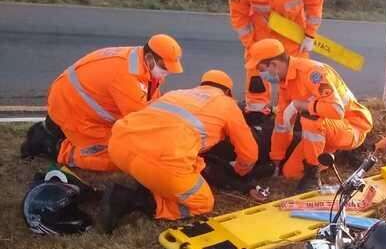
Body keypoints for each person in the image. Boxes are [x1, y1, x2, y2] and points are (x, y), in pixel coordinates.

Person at [100, 70, 258, 233]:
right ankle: (132, 200)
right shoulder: (227, 104)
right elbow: (249, 153)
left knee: (159, 166)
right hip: (160, 159)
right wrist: (240, 170)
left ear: (202, 85)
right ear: (228, 92)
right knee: (203, 203)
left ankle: (149, 182)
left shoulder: (176, 94)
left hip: (119, 147)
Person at [21, 35, 183, 172]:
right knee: (118, 156)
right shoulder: (127, 77)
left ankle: (60, 132)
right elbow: (139, 123)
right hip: (72, 108)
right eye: (164, 67)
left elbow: (151, 102)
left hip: (74, 100)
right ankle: (51, 147)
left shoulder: (142, 63)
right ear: (149, 58)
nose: (167, 72)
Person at [246, 39, 372, 191]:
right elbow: (282, 125)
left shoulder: (312, 73)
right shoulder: (286, 83)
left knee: (309, 119)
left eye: (262, 69)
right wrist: (276, 160)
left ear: (274, 64)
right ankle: (329, 157)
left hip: (353, 126)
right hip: (327, 132)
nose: (262, 75)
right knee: (291, 173)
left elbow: (337, 110)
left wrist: (301, 105)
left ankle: (313, 177)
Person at [229, 0, 324, 117]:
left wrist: (310, 35)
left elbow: (315, 3)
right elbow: (238, 14)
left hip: (292, 31)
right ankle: (257, 110)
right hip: (262, 32)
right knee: (256, 69)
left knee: (299, 71)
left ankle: (298, 109)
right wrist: (250, 44)